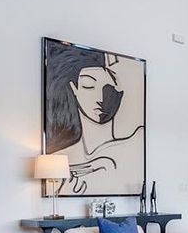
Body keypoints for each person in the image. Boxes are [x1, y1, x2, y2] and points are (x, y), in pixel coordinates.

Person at [44, 41, 143, 194]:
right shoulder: (60, 159)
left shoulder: (136, 139)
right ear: (74, 88)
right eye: (89, 85)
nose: (100, 98)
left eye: (107, 88)